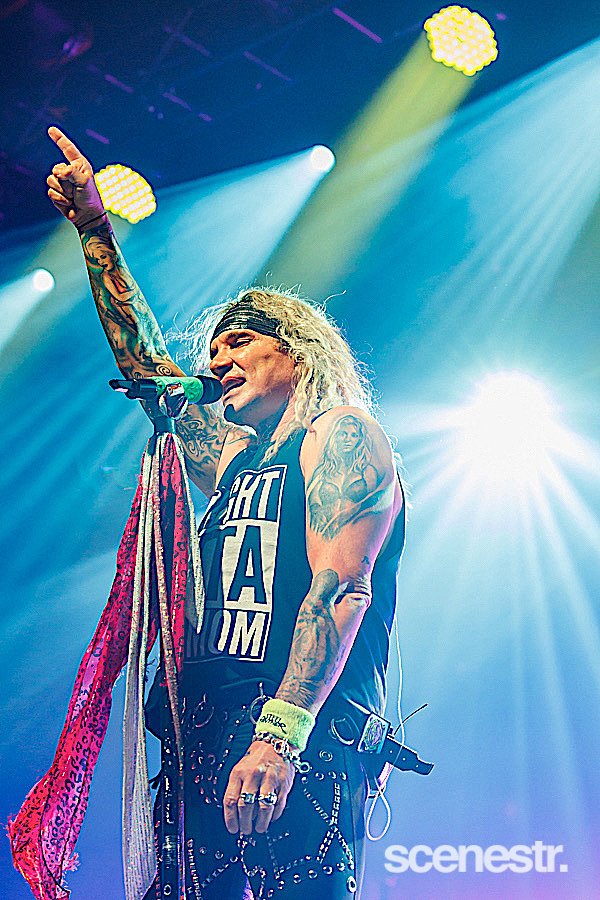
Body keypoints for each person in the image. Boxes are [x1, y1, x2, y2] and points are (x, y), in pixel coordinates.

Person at [46, 126, 405, 900]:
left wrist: (281, 735)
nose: (216, 362)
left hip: (295, 734)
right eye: (212, 351)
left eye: (238, 343)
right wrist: (95, 231)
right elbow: (150, 369)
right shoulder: (236, 459)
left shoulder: (341, 435)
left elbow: (341, 588)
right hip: (203, 737)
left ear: (297, 351)